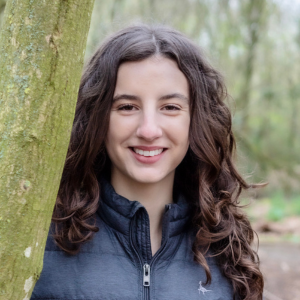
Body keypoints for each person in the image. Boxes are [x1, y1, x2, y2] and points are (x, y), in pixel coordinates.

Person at [31, 24, 264, 300]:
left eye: (170, 108)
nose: (149, 130)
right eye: (127, 107)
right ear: (98, 118)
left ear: (196, 121)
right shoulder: (38, 244)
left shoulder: (227, 249)